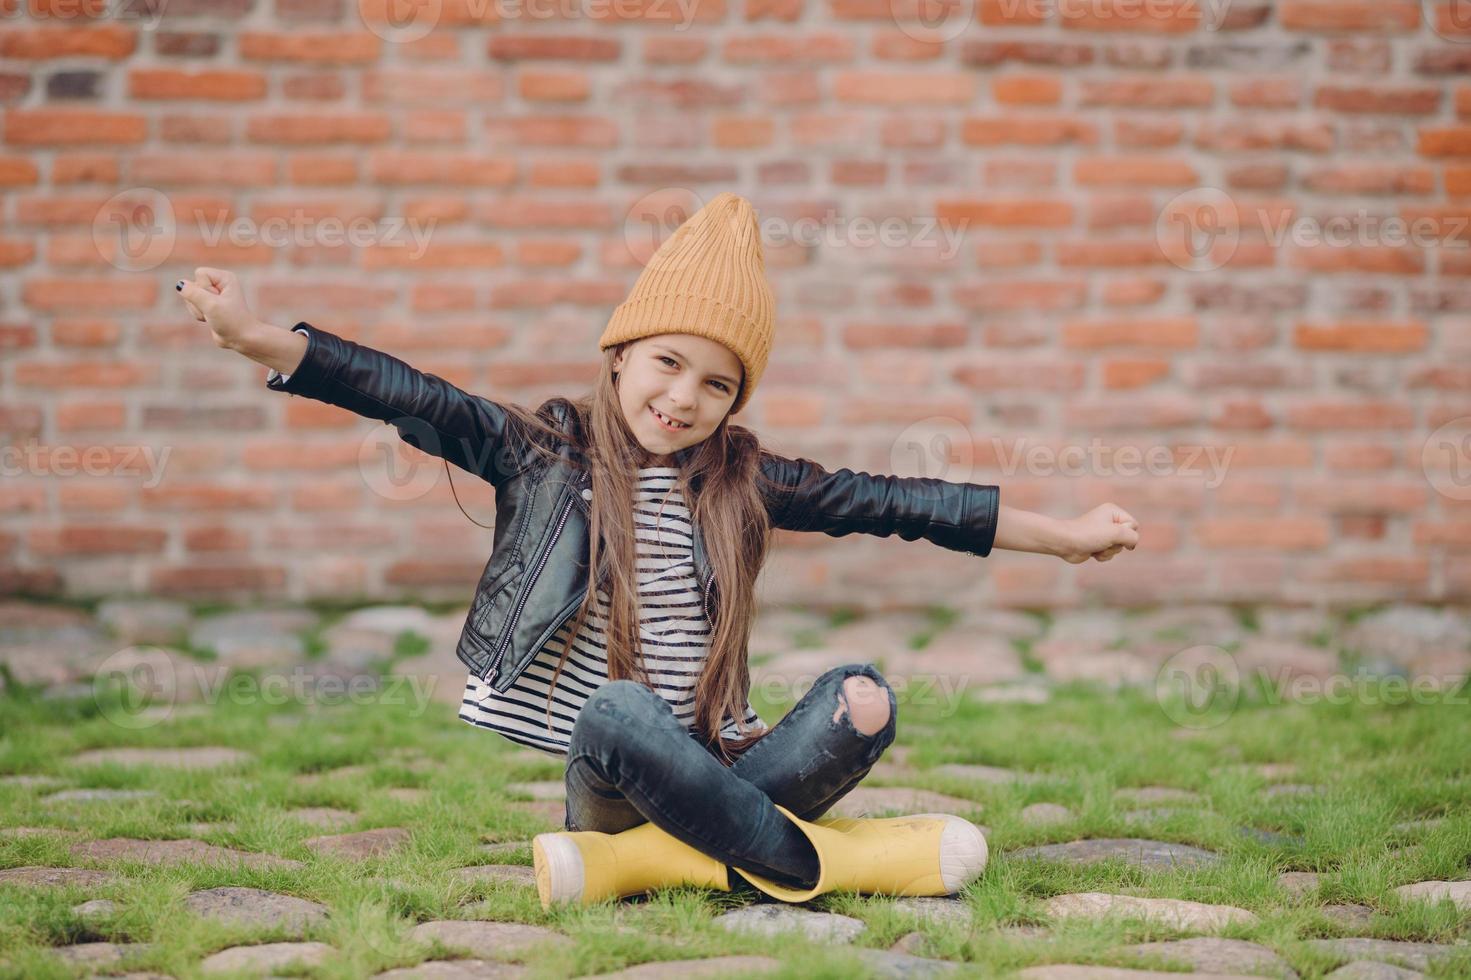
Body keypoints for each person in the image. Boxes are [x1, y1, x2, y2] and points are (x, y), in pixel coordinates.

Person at [175, 192, 1139, 910]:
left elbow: (896, 502)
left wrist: (1061, 539)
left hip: (712, 759)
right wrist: (256, 336)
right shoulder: (539, 451)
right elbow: (410, 395)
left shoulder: (741, 483)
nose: (683, 398)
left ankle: (655, 864)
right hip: (611, 768)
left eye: (717, 385)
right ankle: (820, 863)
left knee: (863, 698)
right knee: (621, 706)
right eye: (667, 364)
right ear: (620, 358)